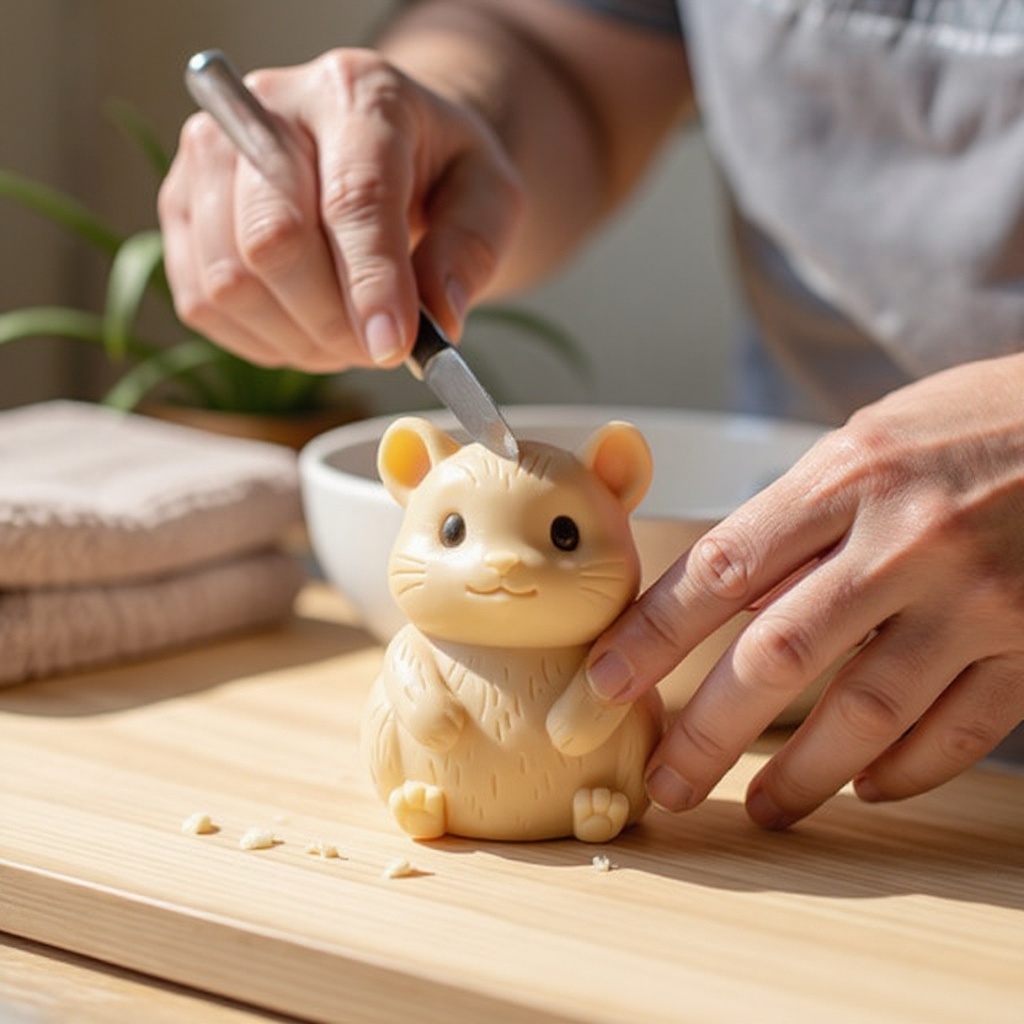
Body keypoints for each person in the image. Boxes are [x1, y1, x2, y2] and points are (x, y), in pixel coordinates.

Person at [158, 0, 1024, 829]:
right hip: (789, 666)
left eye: (564, 536)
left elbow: (595, 718)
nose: (504, 564)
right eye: (454, 532)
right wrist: (428, 131)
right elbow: (558, 48)